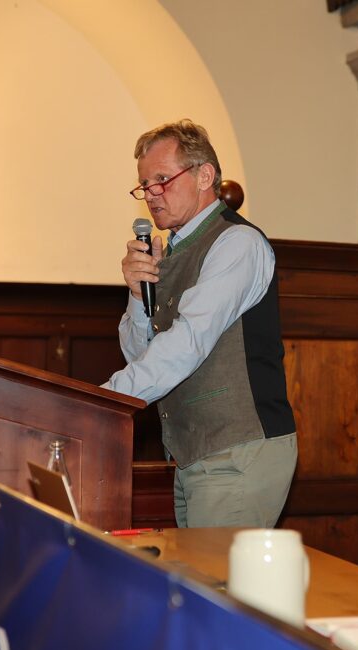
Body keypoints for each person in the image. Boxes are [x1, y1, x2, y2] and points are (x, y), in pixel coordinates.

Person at [103, 120, 297, 529]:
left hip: (236, 452)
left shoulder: (236, 243)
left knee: (214, 571)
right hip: (193, 454)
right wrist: (138, 296)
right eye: (144, 185)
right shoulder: (172, 252)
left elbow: (187, 343)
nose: (151, 194)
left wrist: (102, 401)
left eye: (162, 180)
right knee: (198, 569)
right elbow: (141, 355)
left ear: (204, 176)